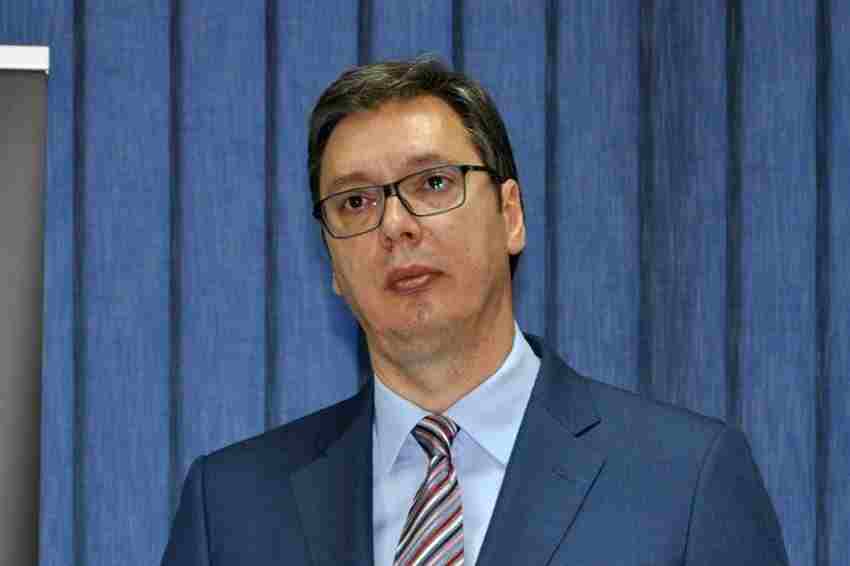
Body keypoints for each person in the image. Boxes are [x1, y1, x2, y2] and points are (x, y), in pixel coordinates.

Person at [161, 57, 788, 566]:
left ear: (510, 215)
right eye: (355, 202)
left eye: (433, 183)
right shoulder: (233, 506)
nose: (395, 225)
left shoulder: (685, 481)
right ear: (331, 261)